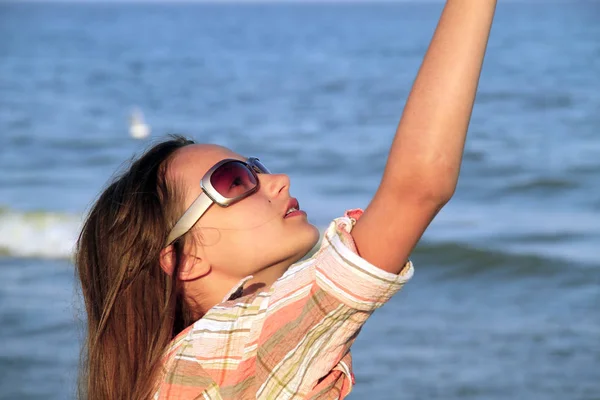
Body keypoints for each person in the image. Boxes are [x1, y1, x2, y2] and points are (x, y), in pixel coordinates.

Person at [75, 1, 497, 399]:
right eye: (234, 180)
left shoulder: (177, 373)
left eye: (255, 167)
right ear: (183, 261)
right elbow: (417, 188)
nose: (277, 180)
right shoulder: (235, 352)